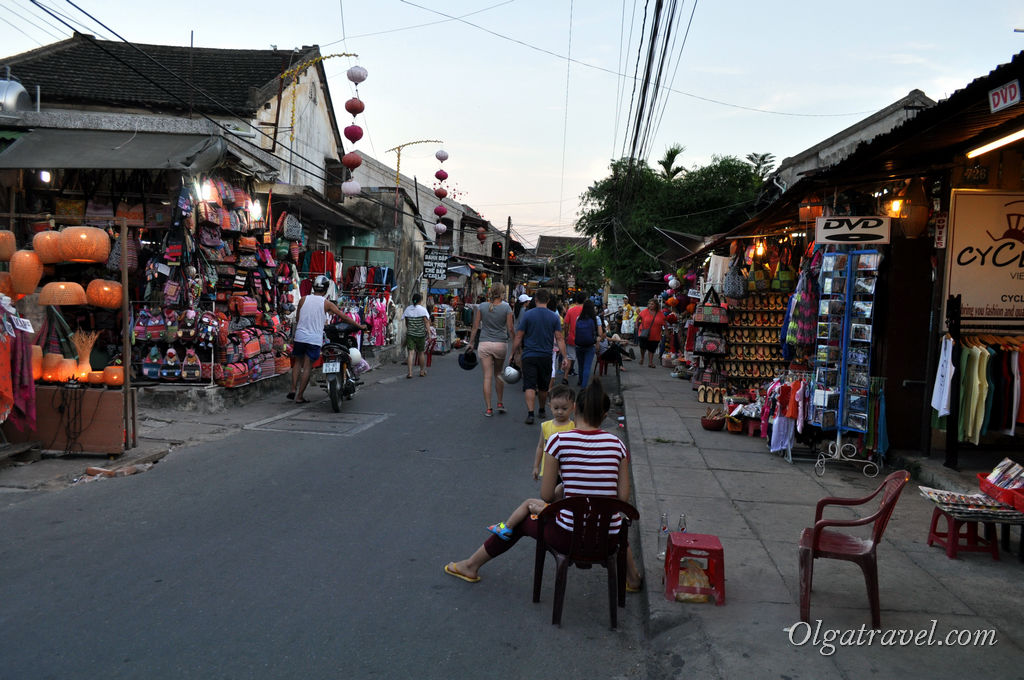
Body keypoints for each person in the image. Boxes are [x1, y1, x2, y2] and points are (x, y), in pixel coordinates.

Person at [444, 379, 643, 592]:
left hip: (567, 537)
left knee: (520, 522)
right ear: (604, 416)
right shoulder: (618, 445)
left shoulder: (559, 441)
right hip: (607, 540)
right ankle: (632, 579)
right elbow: (622, 499)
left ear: (576, 410)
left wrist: (564, 489)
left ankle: (471, 565)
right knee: (611, 524)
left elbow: (547, 495)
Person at [289, 275, 368, 404]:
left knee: (298, 362)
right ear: (325, 290)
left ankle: (293, 389)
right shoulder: (326, 303)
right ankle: (299, 396)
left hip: (300, 336)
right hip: (313, 339)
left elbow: (298, 319)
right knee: (307, 366)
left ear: (314, 287)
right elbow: (344, 317)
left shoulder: (303, 299)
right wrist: (359, 326)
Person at [511, 288, 568, 425]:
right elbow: (559, 338)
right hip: (546, 356)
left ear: (535, 300)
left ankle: (530, 414)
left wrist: (512, 353)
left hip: (529, 355)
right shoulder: (554, 316)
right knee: (543, 387)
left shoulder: (528, 315)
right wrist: (565, 357)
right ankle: (542, 409)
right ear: (548, 300)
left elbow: (519, 336)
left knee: (529, 385)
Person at [469, 282, 514, 416]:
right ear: (501, 293)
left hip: (484, 344)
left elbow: (475, 327)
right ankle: (499, 402)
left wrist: (471, 342)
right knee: (498, 374)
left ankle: (489, 408)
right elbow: (510, 328)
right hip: (500, 344)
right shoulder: (507, 308)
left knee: (487, 377)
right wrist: (517, 345)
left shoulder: (482, 307)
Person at [532, 384, 576, 480]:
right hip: (548, 470)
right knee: (548, 494)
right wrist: (536, 466)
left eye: (564, 408)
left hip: (568, 472)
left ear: (573, 407)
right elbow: (540, 447)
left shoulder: (574, 427)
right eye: (556, 408)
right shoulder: (545, 426)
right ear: (550, 406)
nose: (560, 412)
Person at [573, 299, 605, 389]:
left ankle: (580, 380)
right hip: (590, 345)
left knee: (580, 365)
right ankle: (583, 387)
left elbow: (576, 332)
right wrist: (597, 342)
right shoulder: (596, 318)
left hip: (579, 345)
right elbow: (600, 333)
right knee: (587, 366)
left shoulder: (578, 318)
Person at [403, 293, 433, 378]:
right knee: (421, 353)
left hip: (410, 334)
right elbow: (426, 322)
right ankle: (422, 371)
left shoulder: (408, 309)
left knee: (410, 353)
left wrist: (409, 329)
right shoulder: (423, 310)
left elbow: (406, 322)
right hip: (420, 335)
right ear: (420, 301)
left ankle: (410, 373)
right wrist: (429, 334)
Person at [637, 298, 667, 368]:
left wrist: (666, 331)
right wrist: (637, 326)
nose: (650, 305)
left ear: (656, 305)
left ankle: (650, 362)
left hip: (655, 334)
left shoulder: (660, 314)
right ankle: (642, 358)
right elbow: (638, 318)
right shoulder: (644, 312)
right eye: (649, 304)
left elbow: (665, 323)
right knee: (642, 347)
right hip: (644, 333)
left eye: (652, 304)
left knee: (652, 348)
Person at [562, 292, 584, 379]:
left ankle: (565, 377)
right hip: (583, 339)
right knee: (582, 359)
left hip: (571, 338)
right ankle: (581, 379)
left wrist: (567, 334)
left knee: (569, 358)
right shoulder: (586, 310)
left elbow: (565, 324)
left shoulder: (570, 310)